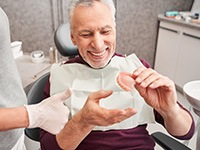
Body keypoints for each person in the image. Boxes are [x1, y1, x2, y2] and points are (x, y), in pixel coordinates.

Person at [40, 0, 195, 150]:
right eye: (86, 34)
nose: (98, 44)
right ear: (73, 37)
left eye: (105, 31)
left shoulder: (137, 69)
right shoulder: (59, 76)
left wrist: (170, 110)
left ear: (114, 30)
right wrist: (82, 122)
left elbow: (186, 132)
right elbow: (47, 146)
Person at [0, 7, 72, 150]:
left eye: (105, 31)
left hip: (13, 136)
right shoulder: (58, 79)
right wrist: (32, 115)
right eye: (86, 33)